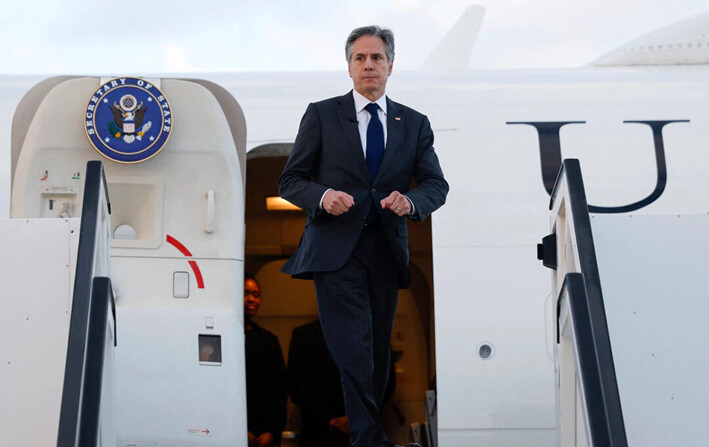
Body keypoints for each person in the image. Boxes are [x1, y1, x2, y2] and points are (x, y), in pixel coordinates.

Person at [278, 25, 448, 447]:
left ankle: (368, 435)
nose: (368, 65)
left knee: (375, 352)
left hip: (385, 251)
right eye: (360, 58)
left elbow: (435, 185)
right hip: (336, 251)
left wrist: (410, 203)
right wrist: (323, 196)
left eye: (376, 58)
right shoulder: (321, 114)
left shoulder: (414, 123)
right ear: (349, 67)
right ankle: (369, 440)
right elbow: (291, 181)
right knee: (352, 347)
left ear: (391, 65)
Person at [243, 274, 287, 447]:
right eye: (245, 293)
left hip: (265, 431)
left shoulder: (268, 340)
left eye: (256, 294)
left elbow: (279, 389)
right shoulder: (224, 337)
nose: (251, 299)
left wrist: (272, 432)